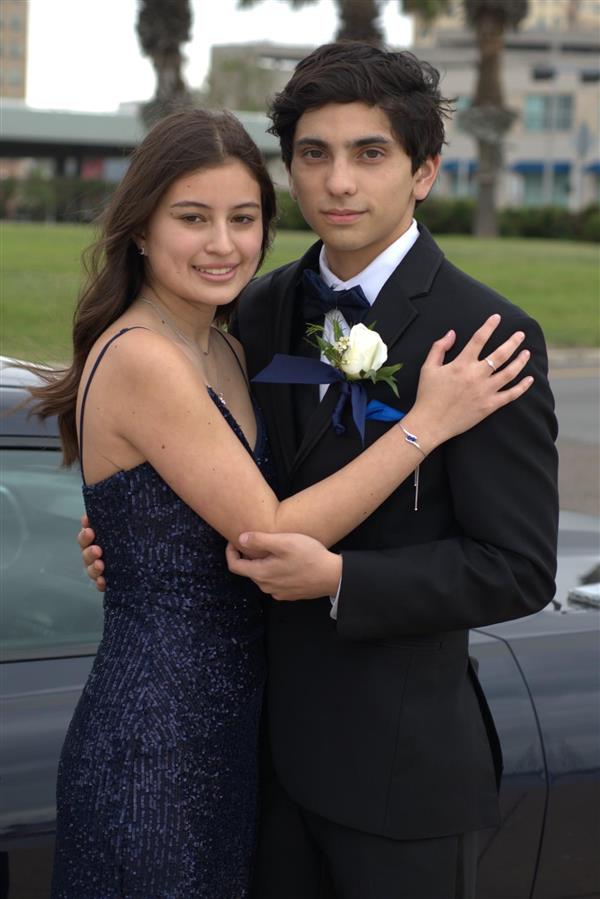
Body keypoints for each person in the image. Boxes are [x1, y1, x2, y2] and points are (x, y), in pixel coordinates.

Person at [76, 43, 558, 899]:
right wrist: (137, 534)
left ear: (423, 172)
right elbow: (214, 477)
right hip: (250, 765)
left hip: (399, 780)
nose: (339, 181)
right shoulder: (253, 310)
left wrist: (342, 580)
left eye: (369, 154)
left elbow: (517, 567)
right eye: (314, 154)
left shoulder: (487, 337)